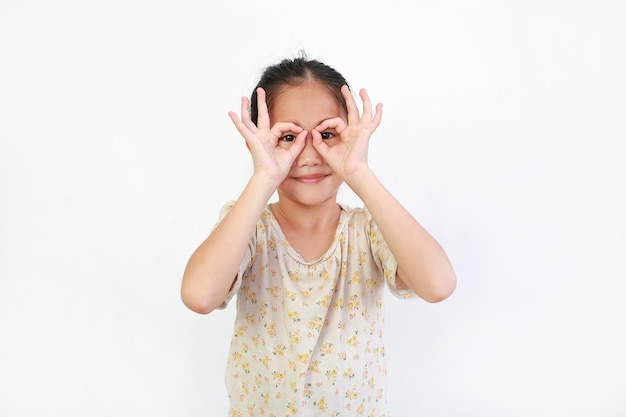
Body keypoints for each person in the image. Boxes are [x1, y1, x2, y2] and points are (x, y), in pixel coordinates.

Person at [181, 53, 456, 417]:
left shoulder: (369, 230)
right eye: (289, 137)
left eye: (328, 135)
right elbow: (199, 295)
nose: (309, 154)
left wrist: (358, 171)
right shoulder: (248, 227)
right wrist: (263, 178)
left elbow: (438, 285)